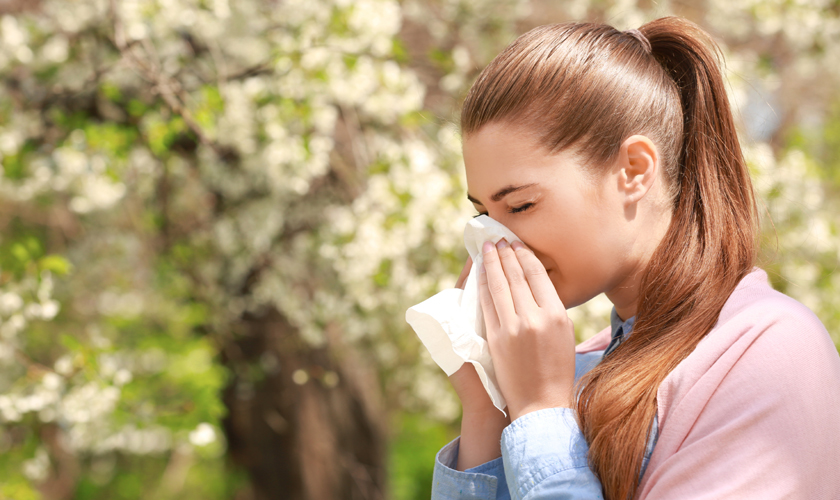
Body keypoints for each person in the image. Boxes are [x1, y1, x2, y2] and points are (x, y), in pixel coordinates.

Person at [429, 16, 840, 500]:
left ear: (633, 170)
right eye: (483, 213)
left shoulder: (764, 351)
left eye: (520, 206)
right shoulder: (577, 371)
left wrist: (541, 413)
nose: (495, 240)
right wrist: (488, 407)